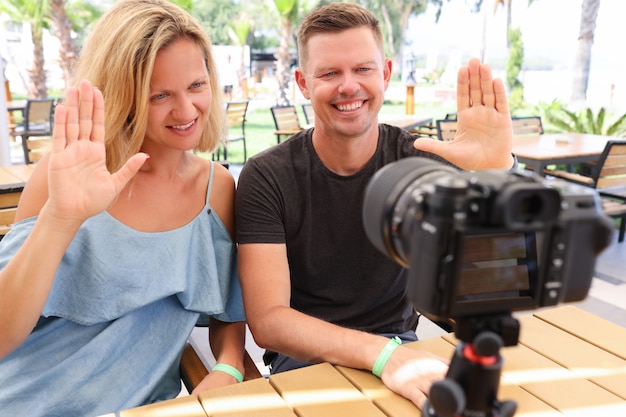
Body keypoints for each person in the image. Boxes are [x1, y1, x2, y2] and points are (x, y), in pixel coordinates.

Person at [235, 2, 516, 409]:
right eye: (330, 72)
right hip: (305, 360)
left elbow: (509, 275)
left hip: (400, 349)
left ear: (385, 73)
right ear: (302, 83)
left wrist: (497, 173)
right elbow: (269, 321)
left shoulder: (421, 159)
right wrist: (384, 356)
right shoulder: (267, 175)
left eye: (363, 69)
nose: (348, 86)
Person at [0, 0, 246, 415]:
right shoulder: (62, 179)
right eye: (159, 95)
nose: (186, 111)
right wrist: (61, 219)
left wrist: (230, 365)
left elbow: (227, 309)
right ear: (123, 96)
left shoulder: (217, 189)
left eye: (197, 86)